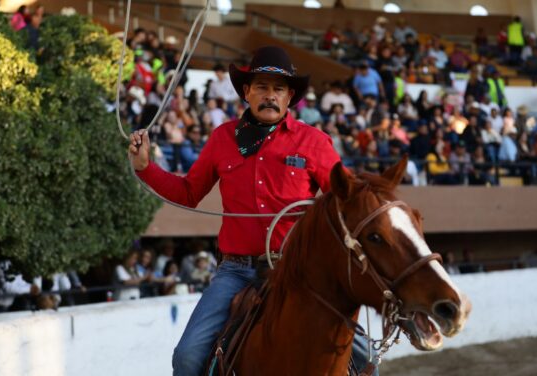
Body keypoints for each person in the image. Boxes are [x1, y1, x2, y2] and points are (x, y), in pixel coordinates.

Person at [129, 46, 376, 376]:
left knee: (365, 358)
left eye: (278, 89)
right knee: (186, 358)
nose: (269, 95)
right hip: (236, 271)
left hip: (299, 270)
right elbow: (188, 193)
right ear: (246, 92)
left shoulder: (313, 142)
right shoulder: (222, 138)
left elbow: (346, 198)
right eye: (261, 86)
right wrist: (146, 167)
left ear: (290, 96)